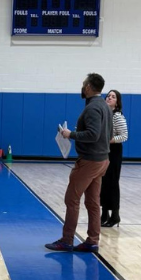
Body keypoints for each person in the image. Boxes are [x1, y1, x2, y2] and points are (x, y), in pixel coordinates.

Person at [45, 73, 112, 253]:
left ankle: (67, 240)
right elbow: (103, 133)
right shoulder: (104, 106)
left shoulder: (92, 108)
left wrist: (71, 135)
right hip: (102, 159)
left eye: (84, 84)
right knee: (92, 202)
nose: (82, 87)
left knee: (72, 199)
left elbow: (93, 134)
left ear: (89, 87)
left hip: (90, 161)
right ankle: (92, 240)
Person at [100, 89, 128, 228]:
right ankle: (104, 213)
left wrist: (109, 140)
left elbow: (124, 136)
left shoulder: (117, 116)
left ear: (117, 102)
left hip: (114, 151)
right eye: (108, 96)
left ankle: (115, 215)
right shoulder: (104, 114)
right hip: (104, 151)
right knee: (103, 182)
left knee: (112, 183)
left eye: (113, 96)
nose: (109, 98)